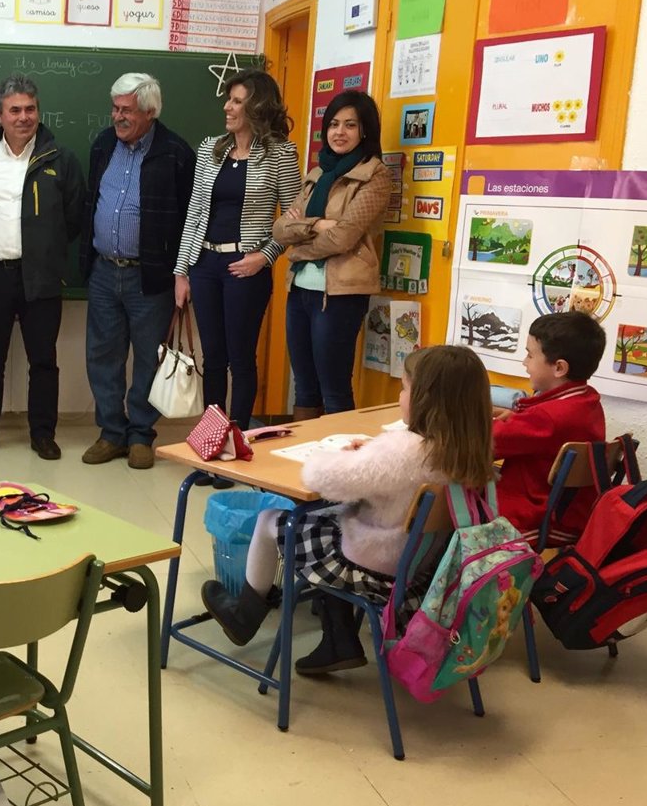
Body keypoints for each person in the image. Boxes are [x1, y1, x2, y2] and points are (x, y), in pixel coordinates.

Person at [201, 345, 495, 675]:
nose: (400, 396)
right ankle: (339, 640)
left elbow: (318, 478)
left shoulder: (402, 449)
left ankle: (245, 614)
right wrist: (371, 455)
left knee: (272, 520)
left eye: (404, 388)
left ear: (426, 398)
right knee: (333, 515)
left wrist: (345, 456)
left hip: (371, 564)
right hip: (421, 569)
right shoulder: (470, 451)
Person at [0, 74, 85, 460]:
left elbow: (75, 217)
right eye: (15, 110)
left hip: (41, 278)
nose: (23, 117)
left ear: (38, 112)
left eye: (30, 109)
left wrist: (46, 251)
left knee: (44, 361)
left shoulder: (60, 159)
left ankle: (43, 435)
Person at [173, 70, 301, 434]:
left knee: (241, 359)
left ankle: (239, 437)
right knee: (213, 358)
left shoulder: (280, 154)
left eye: (236, 101)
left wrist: (266, 256)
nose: (227, 107)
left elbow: (293, 220)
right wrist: (181, 272)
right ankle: (213, 437)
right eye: (228, 100)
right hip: (205, 264)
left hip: (246, 265)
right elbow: (195, 211)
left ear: (257, 107)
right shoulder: (210, 149)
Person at [80, 73, 196, 470]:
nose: (117, 116)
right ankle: (111, 433)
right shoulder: (102, 145)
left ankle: (141, 435)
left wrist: (182, 272)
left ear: (149, 110)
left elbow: (189, 217)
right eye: (115, 108)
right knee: (103, 355)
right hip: (103, 271)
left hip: (151, 276)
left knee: (149, 357)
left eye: (125, 109)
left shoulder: (176, 152)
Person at [273, 89, 392, 418]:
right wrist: (319, 224)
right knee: (304, 386)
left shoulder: (375, 175)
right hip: (300, 291)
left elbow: (343, 237)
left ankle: (340, 468)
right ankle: (300, 464)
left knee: (334, 387)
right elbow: (281, 229)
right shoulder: (317, 173)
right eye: (334, 124)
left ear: (364, 130)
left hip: (340, 294)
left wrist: (301, 243)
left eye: (350, 125)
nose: (339, 132)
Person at [493, 310, 607, 543]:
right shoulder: (587, 400)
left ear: (559, 368)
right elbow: (535, 430)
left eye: (530, 355)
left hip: (534, 515)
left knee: (449, 496)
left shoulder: (547, 417)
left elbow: (483, 444)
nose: (524, 362)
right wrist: (515, 419)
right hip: (567, 510)